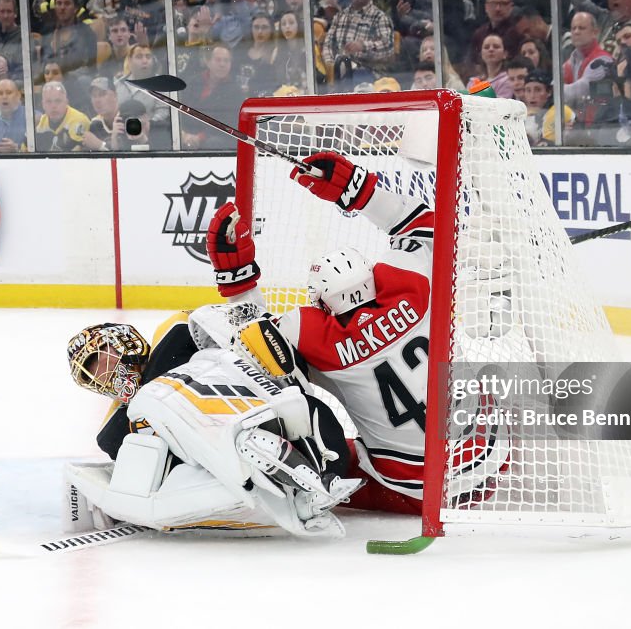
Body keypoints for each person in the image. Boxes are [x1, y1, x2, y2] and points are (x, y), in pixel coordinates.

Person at [207, 151, 444, 513]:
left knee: (300, 432)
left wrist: (237, 279)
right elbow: (426, 222)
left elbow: (253, 349)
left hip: (412, 489)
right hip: (493, 457)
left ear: (322, 300)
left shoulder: (314, 335)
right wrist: (357, 189)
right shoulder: (411, 281)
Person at [63, 305, 361, 538]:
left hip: (250, 400)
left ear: (124, 342)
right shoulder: (113, 429)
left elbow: (230, 328)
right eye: (94, 377)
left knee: (302, 407)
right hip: (215, 456)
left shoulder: (174, 331)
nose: (104, 376)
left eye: (102, 361)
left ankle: (329, 474)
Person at [35, 80, 90, 152]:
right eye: (48, 101)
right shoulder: (39, 123)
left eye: (58, 101)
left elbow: (74, 155)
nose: (53, 106)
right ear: (43, 105)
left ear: (66, 102)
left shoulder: (79, 120)